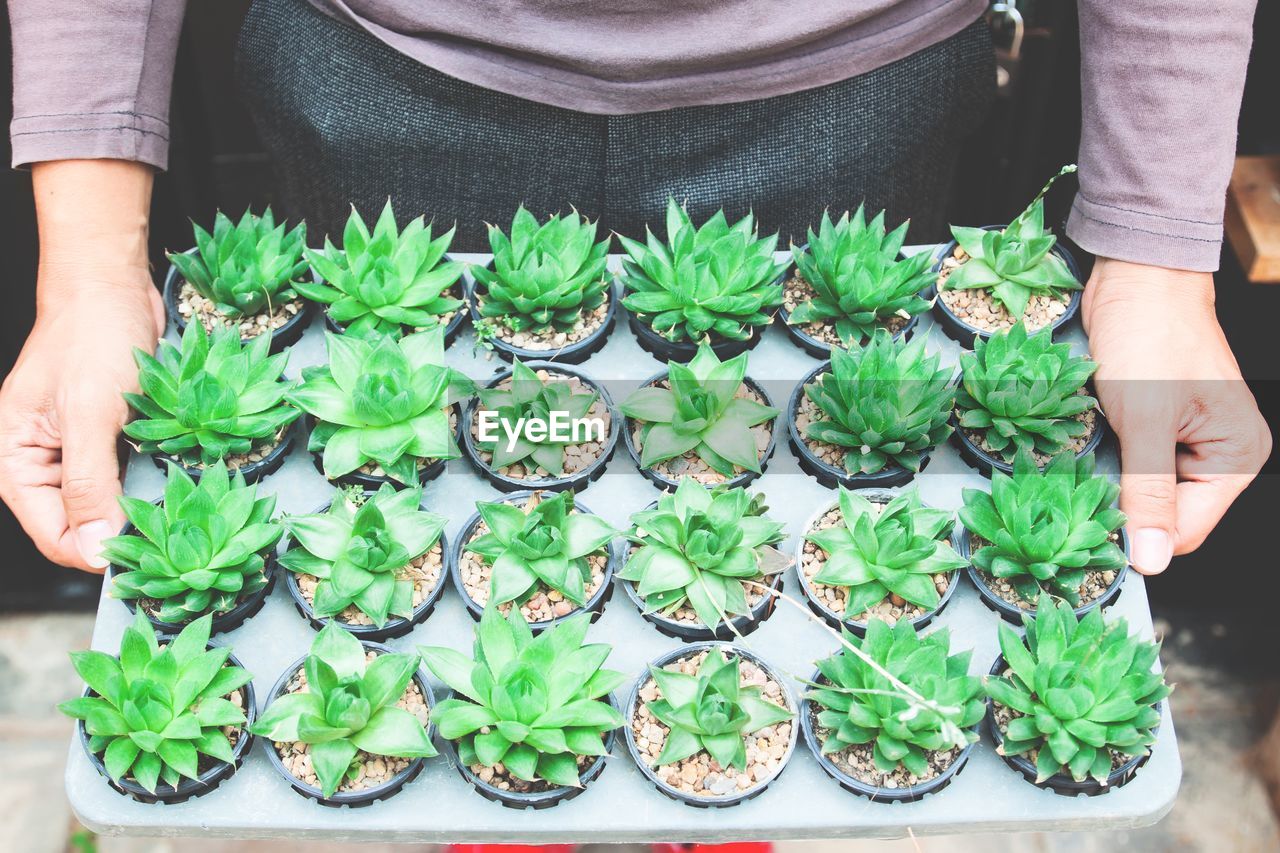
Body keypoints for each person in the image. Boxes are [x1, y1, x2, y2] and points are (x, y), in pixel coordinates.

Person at [1, 0, 1269, 579]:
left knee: (778, 491)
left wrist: (1156, 259)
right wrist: (89, 264)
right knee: (428, 505)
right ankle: (504, 784)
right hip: (382, 77)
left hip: (851, 88)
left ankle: (724, 783)